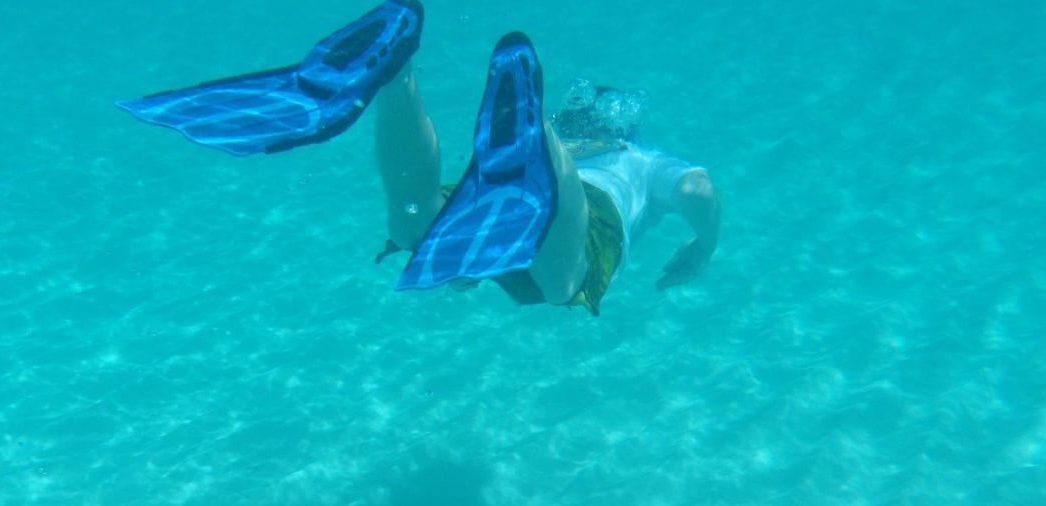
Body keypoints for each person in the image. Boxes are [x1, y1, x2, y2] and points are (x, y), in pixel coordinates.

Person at [117, 0, 719, 316]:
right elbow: (696, 190)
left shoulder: (578, 146)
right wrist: (703, 245)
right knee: (564, 285)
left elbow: (459, 269)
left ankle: (397, 68)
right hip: (574, 209)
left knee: (414, 222)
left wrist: (462, 274)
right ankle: (534, 139)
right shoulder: (637, 156)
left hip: (501, 195)